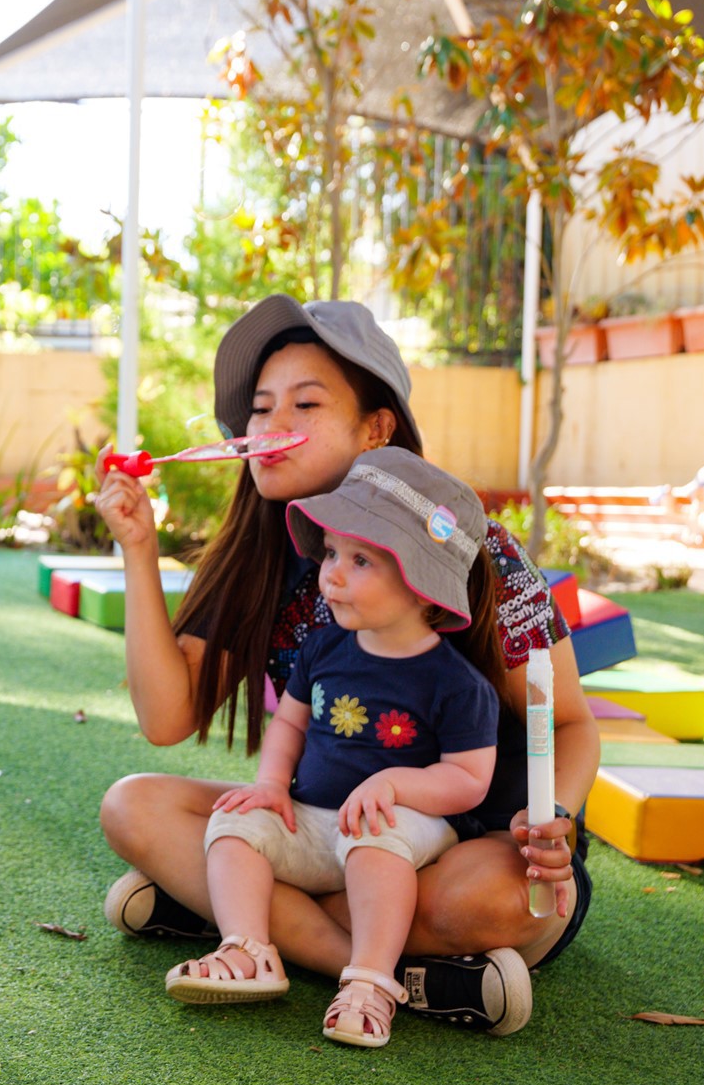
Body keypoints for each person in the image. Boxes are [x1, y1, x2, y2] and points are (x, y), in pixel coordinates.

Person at [96, 296, 595, 1040]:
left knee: (507, 899)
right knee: (133, 806)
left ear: (376, 428)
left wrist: (555, 819)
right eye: (259, 408)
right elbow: (167, 718)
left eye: (304, 404)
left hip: (465, 846)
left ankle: (225, 910)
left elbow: (572, 723)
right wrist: (138, 549)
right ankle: (390, 973)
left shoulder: (471, 549)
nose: (269, 425)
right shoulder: (262, 559)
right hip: (323, 832)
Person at [166, 449, 501, 1050]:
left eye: (360, 560)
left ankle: (370, 981)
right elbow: (290, 727)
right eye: (330, 554)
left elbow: (469, 779)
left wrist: (394, 785)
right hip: (316, 819)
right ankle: (247, 950)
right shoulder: (322, 649)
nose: (332, 575)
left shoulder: (455, 683)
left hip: (400, 831)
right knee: (236, 824)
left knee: (374, 836)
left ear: (423, 585)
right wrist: (271, 785)